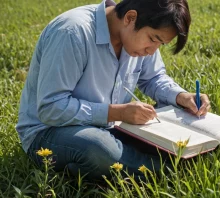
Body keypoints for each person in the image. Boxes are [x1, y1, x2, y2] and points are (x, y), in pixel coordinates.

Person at [16, 0, 210, 181]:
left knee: (167, 114)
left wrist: (181, 96)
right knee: (97, 147)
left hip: (110, 127)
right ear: (130, 18)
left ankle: (98, 168)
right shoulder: (72, 33)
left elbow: (153, 78)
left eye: (160, 44)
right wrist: (118, 112)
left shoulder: (137, 37)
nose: (152, 50)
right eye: (153, 39)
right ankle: (172, 169)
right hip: (49, 132)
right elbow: (51, 108)